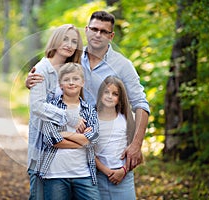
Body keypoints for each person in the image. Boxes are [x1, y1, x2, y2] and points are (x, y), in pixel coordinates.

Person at [26, 10, 150, 172]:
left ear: (111, 36)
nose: (98, 35)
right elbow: (52, 80)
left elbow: (140, 103)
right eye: (94, 29)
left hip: (109, 149)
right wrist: (32, 81)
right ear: (86, 30)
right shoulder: (72, 57)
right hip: (70, 149)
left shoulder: (123, 65)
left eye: (104, 31)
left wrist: (136, 145)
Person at [27, 24, 86, 200]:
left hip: (69, 155)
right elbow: (37, 106)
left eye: (74, 41)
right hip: (44, 152)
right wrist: (69, 116)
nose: (69, 44)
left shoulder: (72, 70)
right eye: (65, 39)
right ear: (55, 40)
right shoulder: (42, 69)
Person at [37, 62, 100, 200]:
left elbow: (94, 138)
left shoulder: (89, 109)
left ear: (82, 82)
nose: (71, 83)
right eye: (66, 79)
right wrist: (82, 140)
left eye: (75, 79)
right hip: (55, 175)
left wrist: (64, 134)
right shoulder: (50, 108)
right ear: (60, 84)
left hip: (83, 174)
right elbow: (51, 139)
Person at [95, 76, 137, 199]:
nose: (109, 96)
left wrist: (123, 171)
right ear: (100, 94)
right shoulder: (93, 119)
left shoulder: (126, 120)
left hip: (124, 174)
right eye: (106, 92)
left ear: (120, 99)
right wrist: (107, 172)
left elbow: (135, 151)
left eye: (115, 94)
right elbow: (89, 151)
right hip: (100, 174)